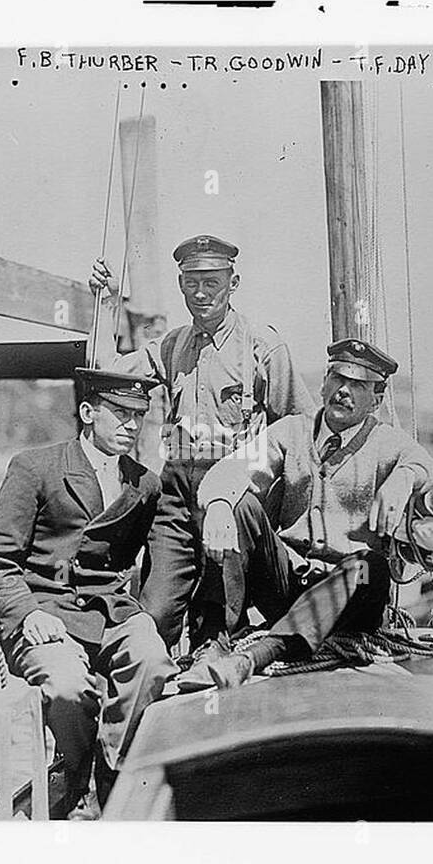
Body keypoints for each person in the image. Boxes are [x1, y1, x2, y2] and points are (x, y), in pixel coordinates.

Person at [186, 338, 433, 686]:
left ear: (376, 399)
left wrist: (407, 476)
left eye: (358, 385)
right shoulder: (292, 431)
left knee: (368, 566)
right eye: (337, 379)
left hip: (350, 593)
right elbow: (231, 469)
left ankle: (254, 657)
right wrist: (220, 504)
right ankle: (214, 642)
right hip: (288, 586)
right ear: (323, 384)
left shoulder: (389, 442)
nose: (344, 391)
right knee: (239, 505)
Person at [90, 235, 315, 649]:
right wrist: (105, 306)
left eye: (212, 282)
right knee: (154, 616)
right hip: (177, 490)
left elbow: (301, 430)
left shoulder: (262, 347)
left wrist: (289, 522)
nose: (200, 292)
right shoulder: (171, 345)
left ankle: (218, 657)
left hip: (234, 491)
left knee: (217, 622)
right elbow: (109, 375)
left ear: (233, 283)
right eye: (191, 282)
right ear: (180, 285)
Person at [0, 368, 175, 813]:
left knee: (153, 660)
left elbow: (161, 562)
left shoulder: (144, 484)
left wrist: (147, 617)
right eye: (119, 412)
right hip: (46, 613)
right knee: (66, 687)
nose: (131, 425)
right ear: (87, 412)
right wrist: (27, 614)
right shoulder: (36, 468)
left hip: (111, 614)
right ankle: (77, 779)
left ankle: (110, 776)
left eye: (139, 415)